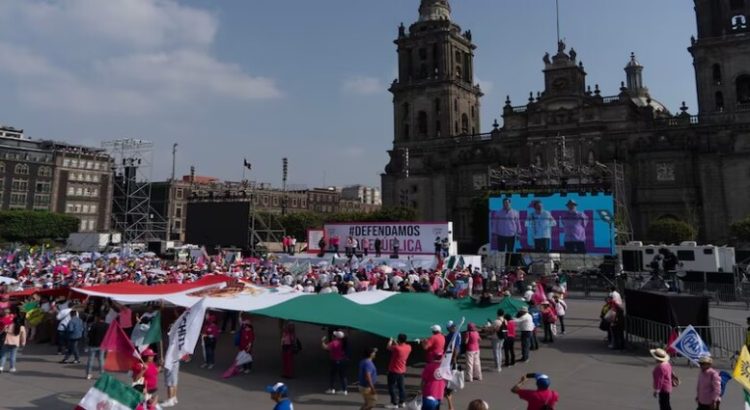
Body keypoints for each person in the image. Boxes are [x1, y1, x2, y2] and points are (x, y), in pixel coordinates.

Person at [386, 334, 411, 409]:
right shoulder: (409, 347)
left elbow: (388, 347)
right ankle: (402, 402)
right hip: (402, 370)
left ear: (398, 339)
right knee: (401, 387)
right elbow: (399, 347)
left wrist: (390, 340)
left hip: (393, 370)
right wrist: (396, 342)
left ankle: (394, 403)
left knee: (391, 387)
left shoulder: (396, 348)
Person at [322, 330, 349, 395]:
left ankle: (332, 389)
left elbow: (325, 347)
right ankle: (344, 390)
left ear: (336, 337)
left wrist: (322, 341)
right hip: (342, 360)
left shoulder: (334, 343)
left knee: (333, 375)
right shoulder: (344, 343)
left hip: (334, 361)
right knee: (343, 376)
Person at [85, 314, 108, 379]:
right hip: (102, 345)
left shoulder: (93, 325)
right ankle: (101, 374)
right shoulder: (107, 326)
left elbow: (89, 334)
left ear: (98, 318)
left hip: (93, 344)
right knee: (101, 359)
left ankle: (88, 374)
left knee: (90, 359)